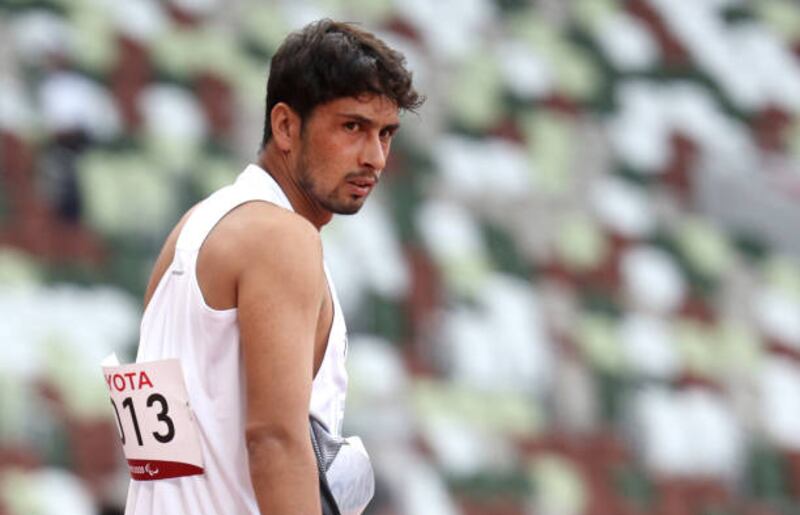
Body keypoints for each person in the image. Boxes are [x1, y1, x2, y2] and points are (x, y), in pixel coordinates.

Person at [117, 18, 423, 515]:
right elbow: (275, 439)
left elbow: (153, 455)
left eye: (386, 134)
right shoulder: (282, 237)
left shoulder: (189, 234)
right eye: (352, 127)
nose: (375, 157)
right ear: (285, 126)